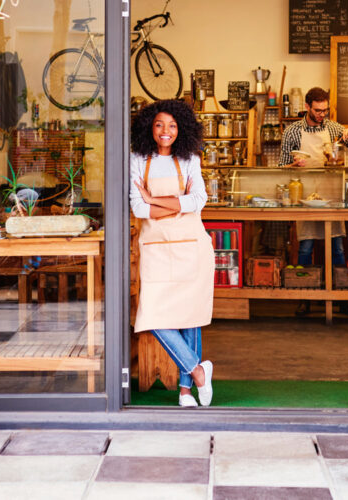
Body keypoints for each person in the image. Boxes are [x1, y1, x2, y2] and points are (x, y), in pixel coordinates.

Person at [130, 99, 215, 407]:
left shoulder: (190, 157)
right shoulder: (137, 158)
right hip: (156, 249)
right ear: (149, 128)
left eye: (172, 126)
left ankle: (184, 391)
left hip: (190, 246)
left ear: (182, 129)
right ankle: (198, 371)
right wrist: (177, 201)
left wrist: (155, 199)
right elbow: (139, 208)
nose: (166, 131)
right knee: (153, 315)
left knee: (189, 315)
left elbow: (199, 201)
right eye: (159, 125)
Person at [279, 87, 348, 316]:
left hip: (331, 195)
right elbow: (279, 168)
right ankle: (305, 298)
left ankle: (341, 299)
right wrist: (293, 166)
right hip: (304, 195)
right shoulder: (293, 132)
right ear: (307, 107)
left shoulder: (332, 128)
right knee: (306, 246)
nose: (322, 115)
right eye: (318, 110)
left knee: (337, 247)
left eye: (325, 110)